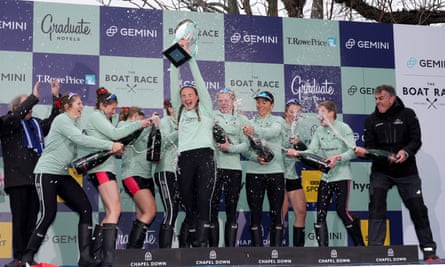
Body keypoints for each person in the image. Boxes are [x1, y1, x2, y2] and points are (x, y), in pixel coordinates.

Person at [19, 92, 124, 267]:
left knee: (85, 209)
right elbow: (80, 139)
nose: (82, 106)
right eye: (79, 103)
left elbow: (80, 148)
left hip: (62, 175)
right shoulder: (62, 120)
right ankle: (26, 258)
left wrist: (110, 150)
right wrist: (109, 145)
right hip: (46, 173)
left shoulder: (73, 123)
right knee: (48, 214)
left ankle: (85, 258)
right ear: (68, 106)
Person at [354, 84, 441, 262]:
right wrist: (364, 154)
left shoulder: (408, 114)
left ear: (391, 99)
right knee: (377, 205)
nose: (378, 102)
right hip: (381, 171)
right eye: (376, 99)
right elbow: (371, 148)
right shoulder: (370, 120)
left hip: (407, 172)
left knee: (418, 209)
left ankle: (430, 252)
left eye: (381, 98)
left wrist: (405, 152)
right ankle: (376, 252)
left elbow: (416, 140)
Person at [85, 88, 152, 267]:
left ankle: (96, 257)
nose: (114, 111)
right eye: (112, 108)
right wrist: (141, 123)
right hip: (100, 169)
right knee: (115, 210)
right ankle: (106, 258)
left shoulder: (106, 117)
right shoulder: (96, 116)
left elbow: (118, 132)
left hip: (106, 168)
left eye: (115, 108)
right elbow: (116, 134)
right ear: (102, 105)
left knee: (110, 212)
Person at [286, 100, 364, 247]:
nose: (318, 116)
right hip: (326, 177)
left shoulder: (343, 128)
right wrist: (296, 152)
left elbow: (353, 152)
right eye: (317, 112)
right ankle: (324, 252)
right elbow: (312, 151)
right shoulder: (319, 131)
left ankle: (361, 247)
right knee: (320, 214)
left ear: (331, 113)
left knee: (342, 211)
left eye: (321, 112)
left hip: (342, 176)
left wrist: (337, 157)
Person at [0, 80, 60, 267]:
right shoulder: (7, 123)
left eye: (32, 105)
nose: (31, 108)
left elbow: (52, 122)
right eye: (28, 105)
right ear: (18, 107)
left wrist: (56, 98)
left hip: (36, 179)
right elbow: (15, 116)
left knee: (32, 221)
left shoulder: (35, 125)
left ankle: (27, 257)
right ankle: (18, 258)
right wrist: (34, 97)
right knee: (19, 221)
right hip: (17, 180)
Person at [170, 39, 216, 248]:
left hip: (205, 157)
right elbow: (174, 79)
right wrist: (176, 55)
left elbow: (198, 79)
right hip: (185, 159)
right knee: (188, 201)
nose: (187, 98)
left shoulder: (206, 108)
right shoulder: (179, 110)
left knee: (204, 200)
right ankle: (188, 239)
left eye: (190, 95)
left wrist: (191, 58)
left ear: (197, 97)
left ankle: (201, 242)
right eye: (184, 96)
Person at [242, 91, 285, 247]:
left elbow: (274, 132)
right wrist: (255, 158)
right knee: (255, 213)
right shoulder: (249, 122)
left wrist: (254, 131)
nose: (261, 105)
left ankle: (276, 252)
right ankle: (257, 253)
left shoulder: (278, 120)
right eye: (258, 102)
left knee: (276, 213)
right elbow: (245, 149)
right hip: (254, 173)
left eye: (264, 102)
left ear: (272, 105)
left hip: (276, 172)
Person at [210, 88, 249, 247]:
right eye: (220, 101)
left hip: (234, 170)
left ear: (233, 101)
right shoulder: (211, 116)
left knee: (231, 210)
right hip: (214, 168)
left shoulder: (242, 119)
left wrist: (230, 148)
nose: (224, 104)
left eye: (227, 100)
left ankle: (230, 252)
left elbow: (246, 145)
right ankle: (212, 252)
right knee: (212, 209)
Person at [117, 106, 158, 249]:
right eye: (141, 119)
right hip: (133, 175)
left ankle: (134, 255)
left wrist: (155, 127)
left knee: (143, 215)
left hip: (146, 176)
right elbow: (128, 137)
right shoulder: (123, 126)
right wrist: (146, 124)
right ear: (135, 117)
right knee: (150, 212)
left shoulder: (144, 128)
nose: (144, 121)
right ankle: (131, 252)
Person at [153, 99, 181, 248]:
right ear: (170, 109)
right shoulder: (164, 122)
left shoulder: (185, 123)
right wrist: (179, 131)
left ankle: (184, 248)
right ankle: (164, 252)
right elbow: (162, 142)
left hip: (179, 173)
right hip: (165, 171)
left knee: (177, 209)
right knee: (171, 209)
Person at [280, 99, 307, 247]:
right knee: (280, 215)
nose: (294, 115)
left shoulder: (299, 130)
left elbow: (305, 152)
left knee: (301, 212)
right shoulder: (279, 125)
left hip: (292, 175)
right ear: (286, 112)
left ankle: (299, 252)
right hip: (278, 175)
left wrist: (298, 144)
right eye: (292, 112)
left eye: (297, 113)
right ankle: (276, 252)